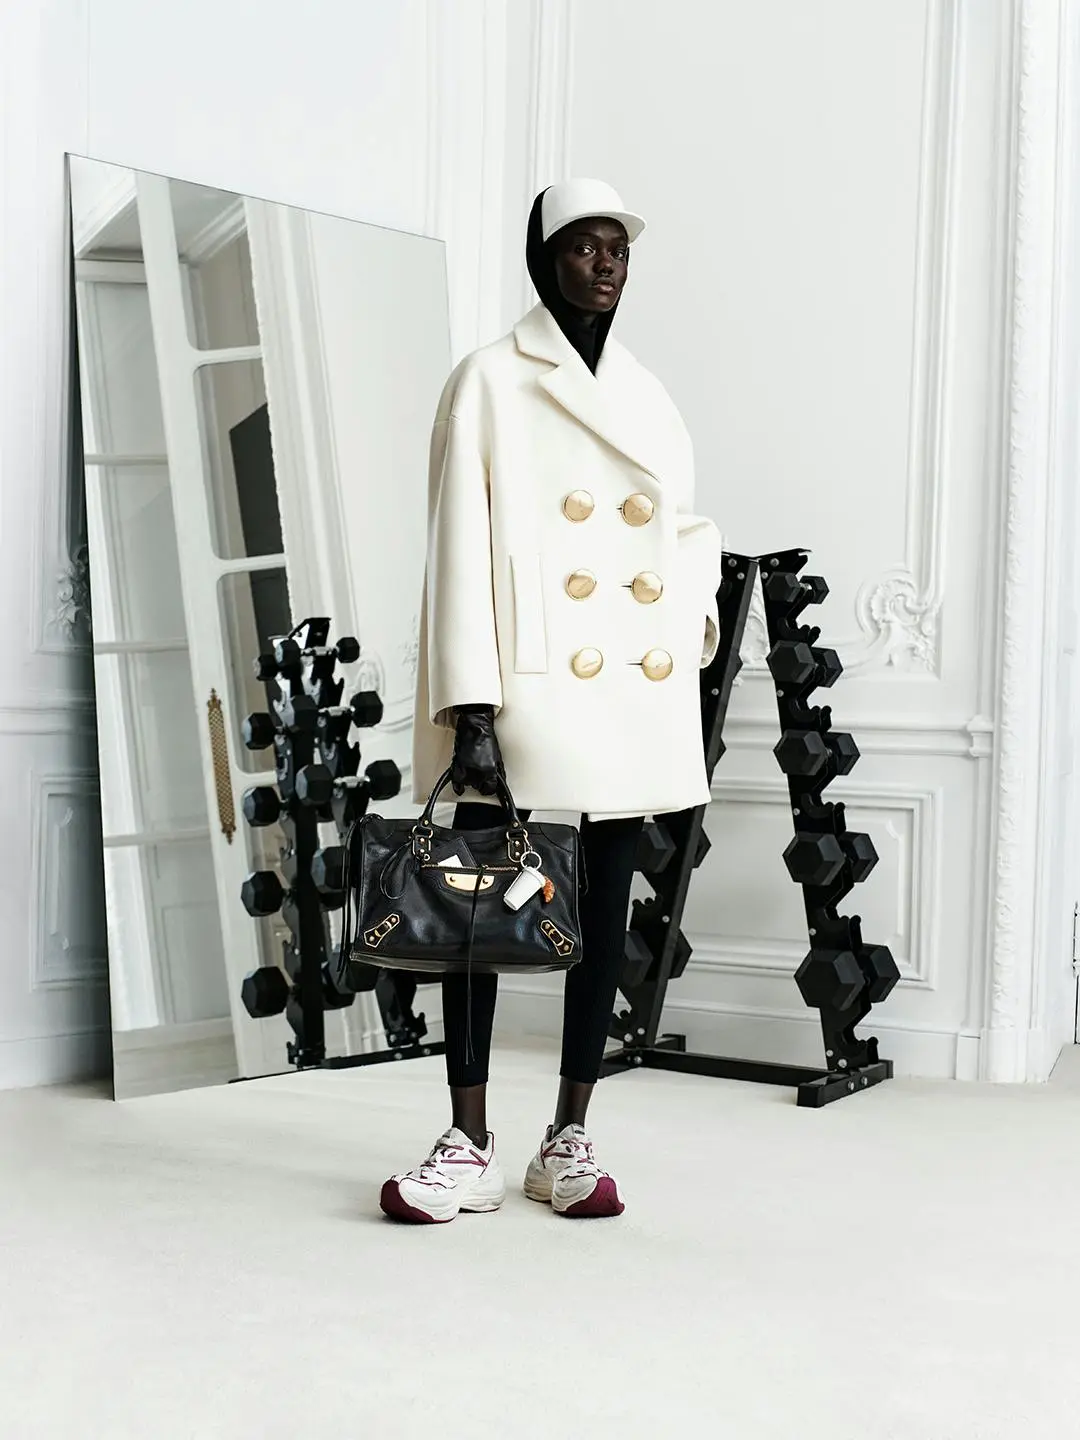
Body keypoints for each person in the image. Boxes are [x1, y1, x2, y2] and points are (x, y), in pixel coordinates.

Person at [381, 178, 723, 1224]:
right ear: (543, 259)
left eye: (618, 247)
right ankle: (468, 1137)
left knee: (607, 905)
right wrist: (470, 705)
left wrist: (687, 623)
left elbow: (685, 528)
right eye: (583, 245)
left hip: (632, 678)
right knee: (475, 908)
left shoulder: (649, 394)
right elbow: (456, 547)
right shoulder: (489, 377)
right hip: (523, 674)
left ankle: (568, 1135)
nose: (605, 263)